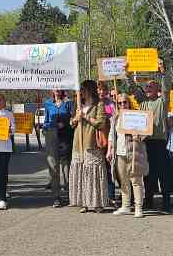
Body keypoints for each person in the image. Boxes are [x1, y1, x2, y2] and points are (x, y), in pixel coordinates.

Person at [69, 80, 109, 213]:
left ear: (90, 90)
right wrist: (75, 119)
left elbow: (101, 123)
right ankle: (84, 202)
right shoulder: (78, 105)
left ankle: (97, 203)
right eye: (81, 89)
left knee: (93, 173)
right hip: (78, 143)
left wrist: (85, 117)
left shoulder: (99, 105)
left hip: (91, 143)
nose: (82, 91)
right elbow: (72, 123)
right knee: (81, 172)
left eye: (84, 89)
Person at [108, 93, 148, 218]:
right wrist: (109, 150)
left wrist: (139, 136)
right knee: (123, 180)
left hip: (134, 151)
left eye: (125, 102)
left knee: (136, 180)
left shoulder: (136, 115)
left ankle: (138, 207)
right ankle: (125, 205)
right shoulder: (115, 118)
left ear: (129, 103)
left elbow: (146, 132)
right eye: (119, 103)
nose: (122, 105)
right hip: (119, 152)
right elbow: (111, 135)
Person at [140, 81, 173, 212]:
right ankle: (149, 201)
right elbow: (132, 87)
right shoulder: (142, 102)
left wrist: (163, 74)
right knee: (148, 174)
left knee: (163, 174)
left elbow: (166, 90)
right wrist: (127, 74)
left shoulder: (162, 102)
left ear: (158, 88)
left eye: (151, 86)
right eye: (146, 87)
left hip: (160, 143)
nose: (147, 89)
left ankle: (166, 202)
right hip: (146, 142)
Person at [41, 90, 72, 208]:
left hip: (65, 138)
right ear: (52, 90)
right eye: (55, 88)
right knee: (53, 167)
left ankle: (70, 195)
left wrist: (66, 124)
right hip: (52, 137)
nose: (57, 90)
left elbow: (73, 120)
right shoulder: (48, 103)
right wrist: (47, 128)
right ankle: (56, 197)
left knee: (66, 168)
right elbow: (46, 122)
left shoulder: (68, 103)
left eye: (59, 87)